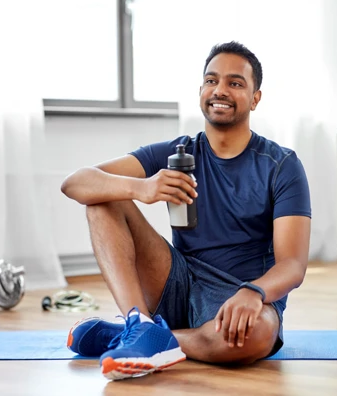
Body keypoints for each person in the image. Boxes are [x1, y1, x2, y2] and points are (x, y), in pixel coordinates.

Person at [61, 41, 311, 381]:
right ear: (201, 91)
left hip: (240, 295)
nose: (220, 90)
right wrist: (142, 188)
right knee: (103, 196)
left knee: (256, 337)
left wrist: (255, 293)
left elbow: (293, 265)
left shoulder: (281, 165)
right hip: (176, 280)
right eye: (211, 80)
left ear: (255, 98)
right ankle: (140, 323)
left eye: (235, 83)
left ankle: (145, 336)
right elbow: (76, 182)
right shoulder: (176, 152)